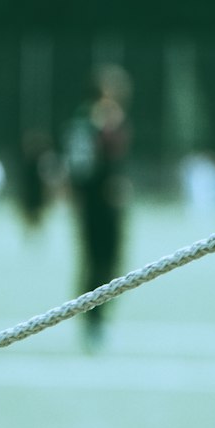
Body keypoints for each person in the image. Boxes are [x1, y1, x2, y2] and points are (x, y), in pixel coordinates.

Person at [64, 65, 132, 347]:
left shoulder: (110, 119)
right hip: (95, 203)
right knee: (96, 261)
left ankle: (100, 317)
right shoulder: (88, 122)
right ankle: (93, 320)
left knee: (112, 262)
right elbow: (81, 166)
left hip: (108, 204)